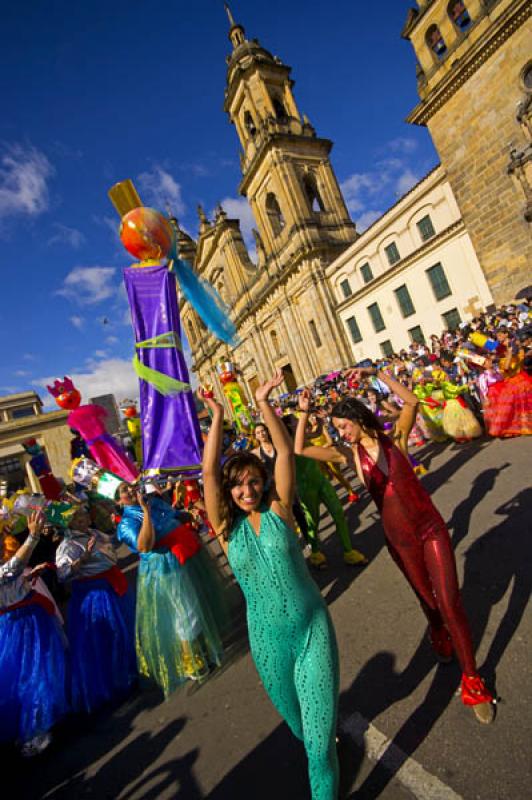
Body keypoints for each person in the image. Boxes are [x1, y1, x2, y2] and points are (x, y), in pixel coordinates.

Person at [295, 367, 495, 724]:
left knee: (450, 603)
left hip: (430, 529)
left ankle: (472, 680)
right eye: (337, 430)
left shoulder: (397, 438)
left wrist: (377, 374)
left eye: (343, 426)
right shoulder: (348, 456)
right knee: (429, 603)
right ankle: (436, 630)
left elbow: (412, 400)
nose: (340, 433)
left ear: (356, 418)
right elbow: (299, 448)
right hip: (399, 542)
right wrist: (304, 412)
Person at [201, 372, 341, 800]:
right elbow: (208, 472)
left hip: (312, 628)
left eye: (253, 481)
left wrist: (264, 402)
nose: (247, 490)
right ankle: (321, 744)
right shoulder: (225, 528)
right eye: (239, 484)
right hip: (266, 641)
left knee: (317, 749)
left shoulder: (280, 506)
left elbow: (283, 450)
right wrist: (219, 418)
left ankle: (326, 777)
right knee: (299, 726)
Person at [117, 486, 226, 695]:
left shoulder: (154, 501)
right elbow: (145, 545)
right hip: (166, 566)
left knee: (195, 602)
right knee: (185, 612)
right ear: (118, 501)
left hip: (185, 553)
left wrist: (189, 514)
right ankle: (191, 662)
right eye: (123, 491)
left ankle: (202, 650)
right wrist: (146, 513)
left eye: (130, 486)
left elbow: (174, 515)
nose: (130, 490)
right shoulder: (126, 524)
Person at [55, 505, 137, 713]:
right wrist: (83, 558)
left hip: (112, 585)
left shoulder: (95, 533)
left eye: (83, 514)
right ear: (69, 523)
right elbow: (62, 575)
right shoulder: (67, 545)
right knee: (107, 637)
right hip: (94, 594)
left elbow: (113, 546)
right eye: (77, 517)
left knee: (126, 628)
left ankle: (131, 671)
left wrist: (119, 520)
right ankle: (116, 681)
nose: (83, 518)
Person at [0, 512, 68, 755]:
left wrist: (28, 577)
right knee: (27, 675)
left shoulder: (5, 558)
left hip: (33, 614)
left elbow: (14, 575)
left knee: (43, 668)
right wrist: (33, 537)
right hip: (16, 625)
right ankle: (33, 732)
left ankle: (43, 720)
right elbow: (10, 570)